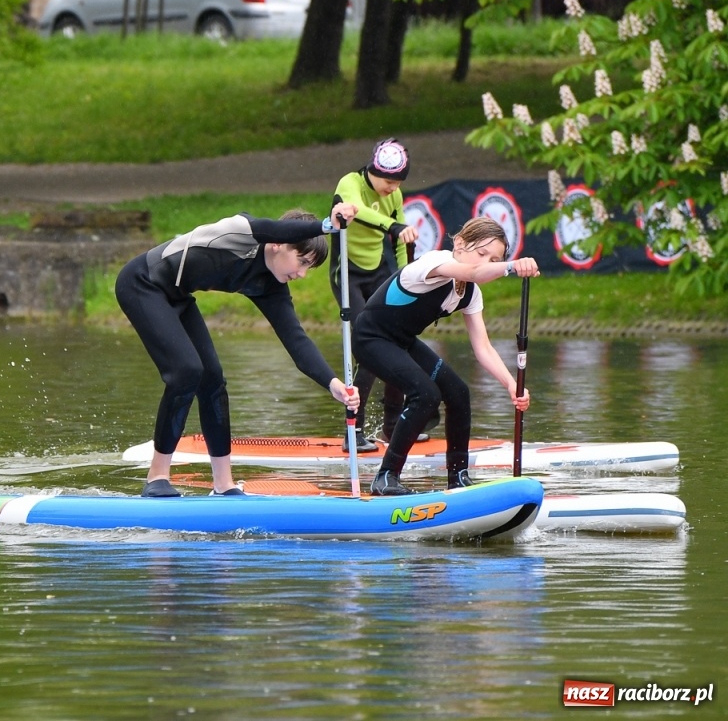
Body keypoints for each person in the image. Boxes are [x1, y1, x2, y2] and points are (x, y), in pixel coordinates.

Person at [117, 206, 362, 497]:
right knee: (186, 372)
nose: (303, 274)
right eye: (302, 261)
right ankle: (157, 477)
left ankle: (223, 484)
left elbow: (296, 341)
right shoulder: (244, 232)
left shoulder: (272, 285)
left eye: (310, 267)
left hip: (177, 296)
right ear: (277, 244)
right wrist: (326, 225)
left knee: (212, 380)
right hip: (141, 284)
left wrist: (333, 384)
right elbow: (275, 226)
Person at [353, 216, 536, 496]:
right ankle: (386, 477)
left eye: (495, 258)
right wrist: (512, 266)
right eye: (482, 253)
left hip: (401, 342)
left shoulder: (470, 294)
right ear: (460, 244)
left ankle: (458, 477)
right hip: (370, 338)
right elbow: (474, 272)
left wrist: (512, 385)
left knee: (459, 393)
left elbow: (483, 348)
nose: (487, 262)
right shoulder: (433, 263)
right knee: (425, 394)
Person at [331, 138, 420, 452]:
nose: (392, 187)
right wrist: (394, 226)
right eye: (387, 181)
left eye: (397, 182)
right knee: (369, 347)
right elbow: (357, 212)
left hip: (379, 272)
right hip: (348, 274)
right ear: (372, 171)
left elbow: (398, 241)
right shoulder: (350, 183)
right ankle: (351, 432)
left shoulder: (394, 193)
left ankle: (392, 427)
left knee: (394, 342)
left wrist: (405, 279)